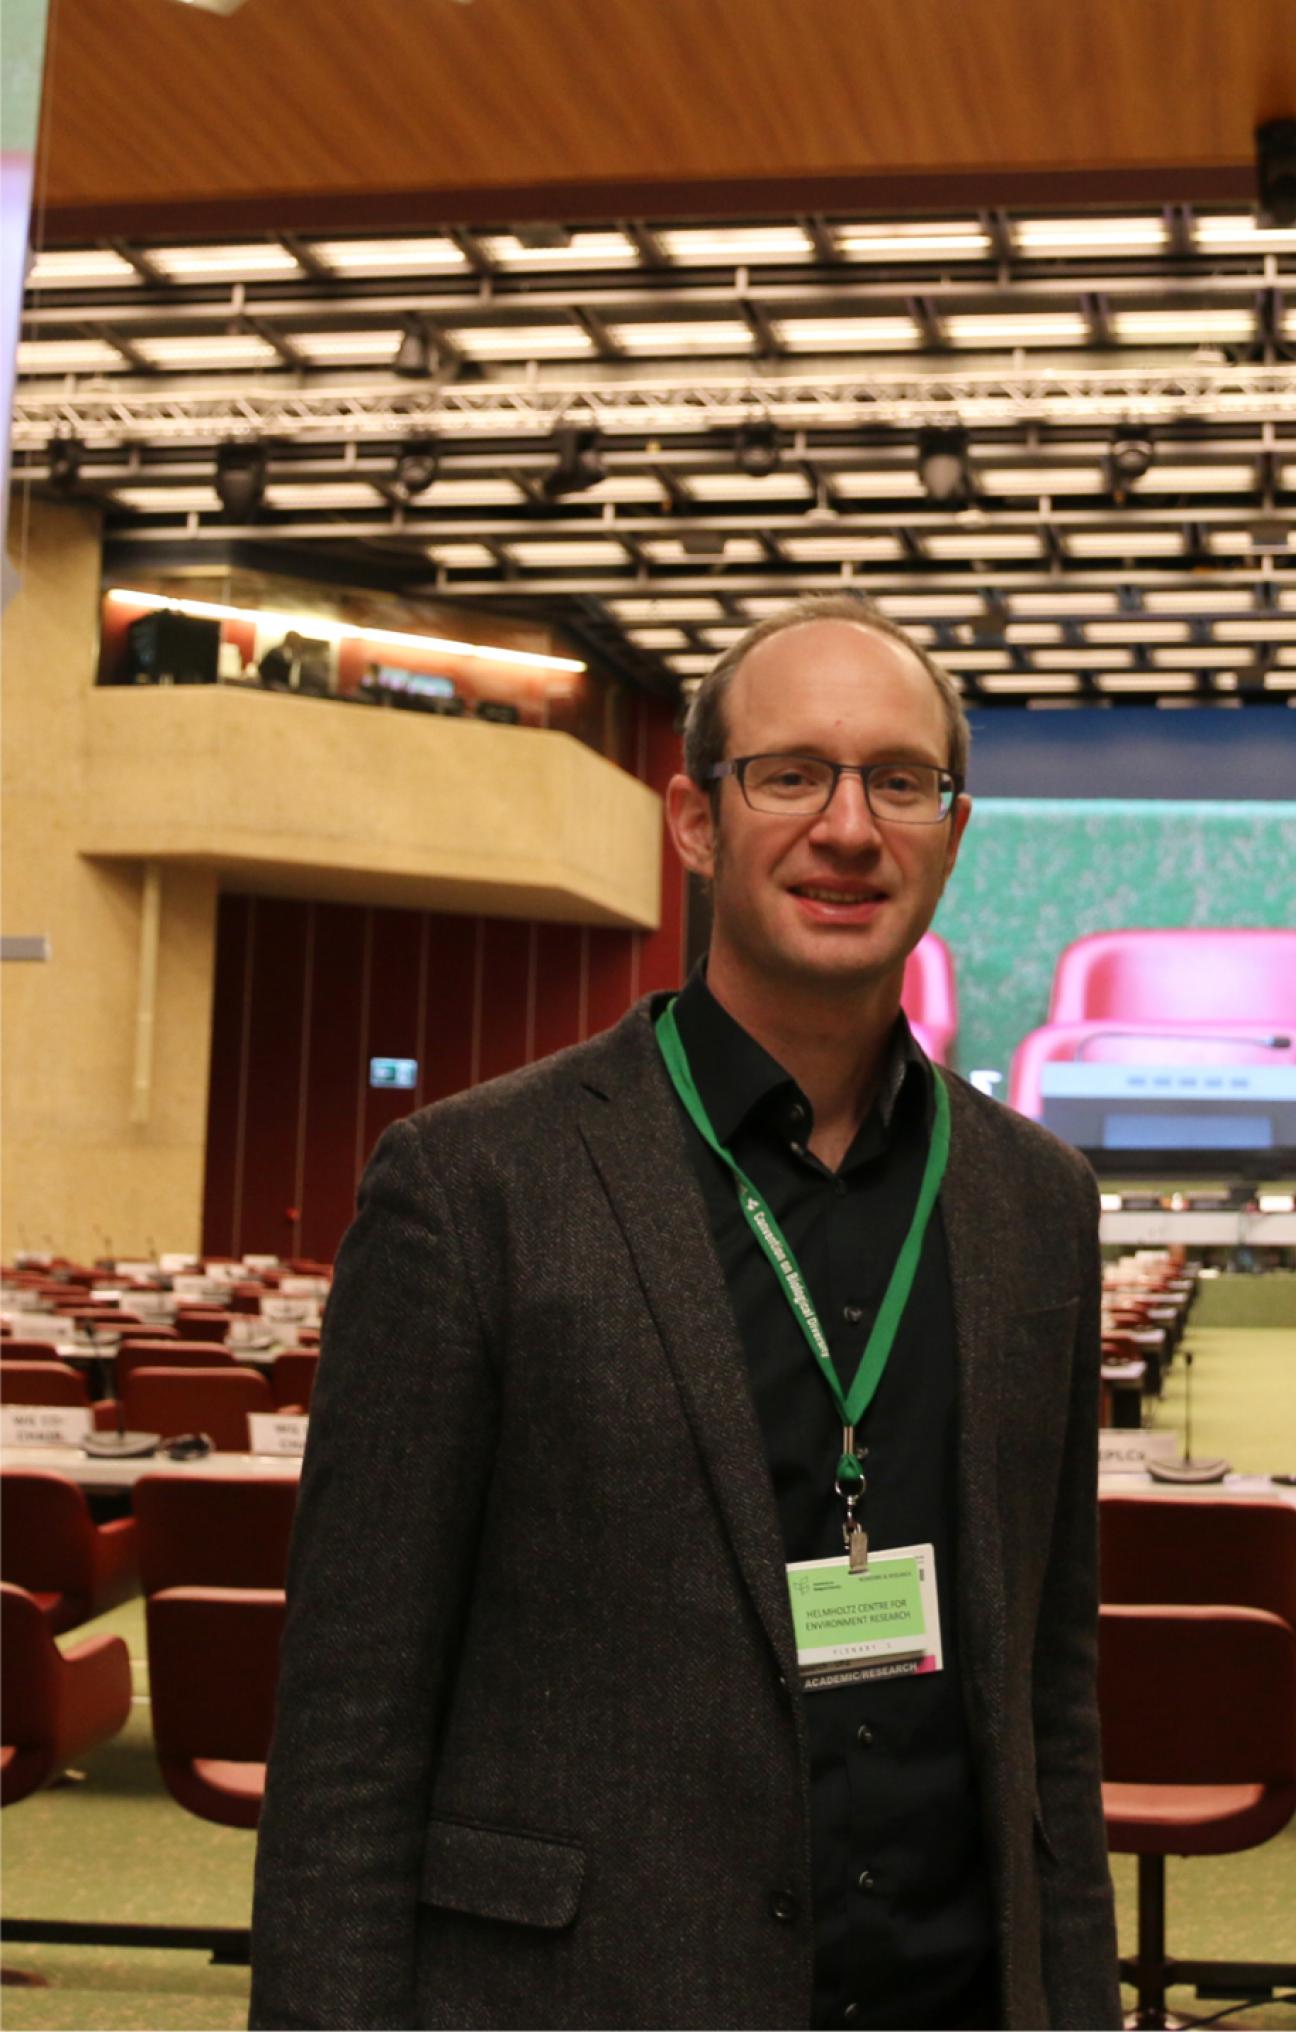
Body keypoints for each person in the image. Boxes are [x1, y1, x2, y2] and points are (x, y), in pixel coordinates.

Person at [251, 595, 1117, 2029]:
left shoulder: (1035, 1203)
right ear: (695, 821)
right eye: (790, 774)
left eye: (900, 781)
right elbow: (352, 1725)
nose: (848, 828)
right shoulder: (476, 1187)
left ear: (953, 832)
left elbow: (1053, 1706)